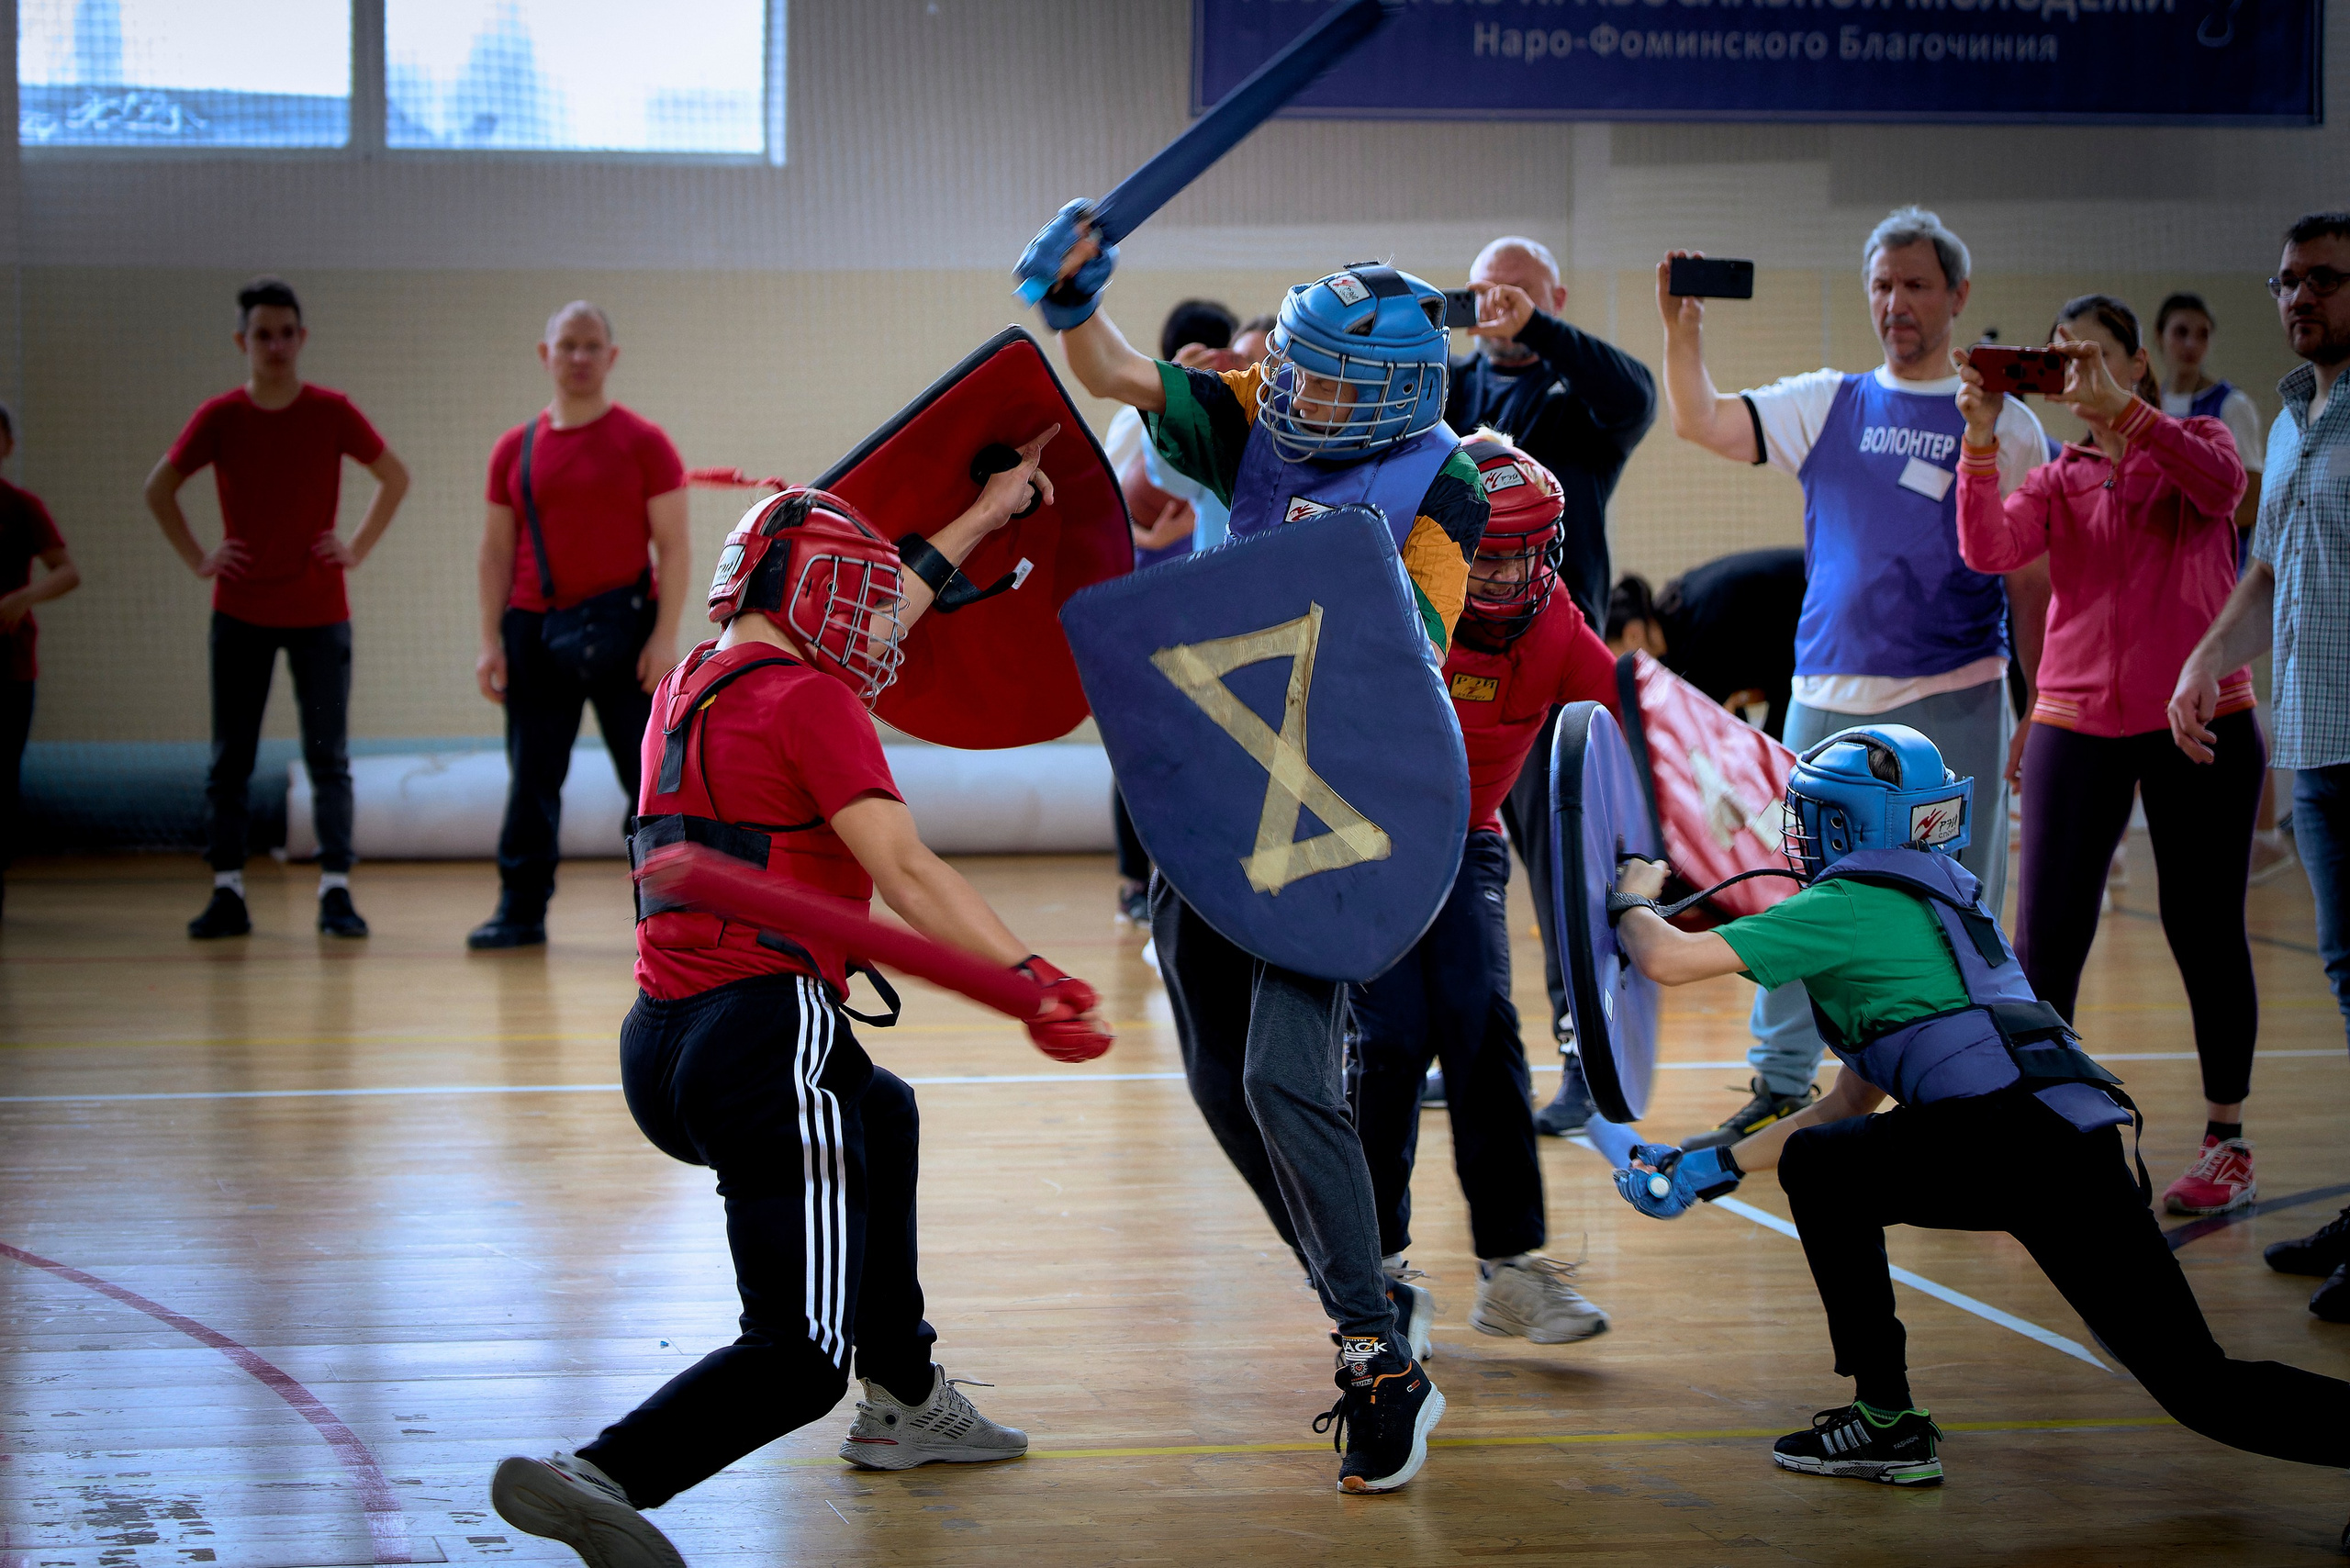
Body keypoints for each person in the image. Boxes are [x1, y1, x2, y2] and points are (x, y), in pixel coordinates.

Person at [490, 447, 1112, 1567]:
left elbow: (859, 626)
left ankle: (909, 1396)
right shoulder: (814, 703)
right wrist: (1031, 982)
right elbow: (909, 873)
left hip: (665, 1045)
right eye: (860, 603)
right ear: (812, 596)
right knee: (796, 1352)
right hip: (768, 1038)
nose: (883, 631)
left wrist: (978, 517)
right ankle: (603, 1476)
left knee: (884, 1113)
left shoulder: (688, 683)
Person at [1603, 725, 2350, 1529]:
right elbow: (1848, 1105)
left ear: (1847, 825)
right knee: (2202, 1387)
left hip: (2003, 1138)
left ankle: (1886, 1423)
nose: (1799, 829)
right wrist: (1709, 1168)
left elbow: (1665, 960)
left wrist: (1633, 892)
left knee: (1823, 1167)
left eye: (1812, 813)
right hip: (2073, 1139)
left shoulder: (1845, 903)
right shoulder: (1947, 894)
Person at [1032, 204, 1481, 1493]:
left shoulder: (1443, 477)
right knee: (1224, 1089)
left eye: (1327, 376)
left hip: (1337, 820)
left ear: (1396, 393)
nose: (1294, 390)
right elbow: (1118, 372)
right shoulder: (1254, 420)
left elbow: (1417, 653)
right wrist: (1072, 301)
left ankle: (1375, 1358)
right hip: (1212, 802)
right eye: (1292, 363)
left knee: (1290, 1075)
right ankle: (1368, 1288)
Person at [1657, 207, 2050, 1153]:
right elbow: (1701, 420)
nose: (1894, 302)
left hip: (1954, 692)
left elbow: (2032, 579)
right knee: (1791, 894)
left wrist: (2035, 706)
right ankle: (1780, 1079)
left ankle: (1963, 1081)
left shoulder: (2008, 424)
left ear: (1956, 296)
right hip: (1828, 696)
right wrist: (1682, 332)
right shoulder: (1827, 401)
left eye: (1915, 284)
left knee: (1954, 898)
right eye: (1881, 284)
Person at [1953, 297, 2260, 1217]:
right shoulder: (2057, 477)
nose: (2070, 371)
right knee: (2044, 939)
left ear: (2131, 365)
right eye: (2056, 358)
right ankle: (2043, 1132)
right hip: (2073, 720)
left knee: (2202, 928)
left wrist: (2127, 414)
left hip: (2197, 715)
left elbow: (2220, 491)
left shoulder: (2193, 440)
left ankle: (2226, 1139)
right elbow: (1984, 546)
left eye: (2088, 355)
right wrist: (1975, 439)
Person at [1349, 433, 1615, 1347]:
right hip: (1368, 848)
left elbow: (1629, 737)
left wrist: (1650, 869)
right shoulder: (1396, 608)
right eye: (1484, 555)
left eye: (1519, 556)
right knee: (1387, 1041)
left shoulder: (1561, 629)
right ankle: (1373, 1277)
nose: (1501, 576)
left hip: (1468, 844)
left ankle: (1509, 1269)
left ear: (1550, 553)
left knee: (1483, 1022)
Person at [2175, 211, 2350, 1324]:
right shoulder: (2290, 424)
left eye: (2325, 280)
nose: (2300, 298)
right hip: (2320, 748)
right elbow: (2272, 575)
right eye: (2287, 281)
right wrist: (2202, 659)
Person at [147, 276, 410, 941]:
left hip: (321, 614)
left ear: (302, 338)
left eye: (286, 333)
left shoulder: (331, 411)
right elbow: (159, 489)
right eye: (262, 334)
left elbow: (394, 477)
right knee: (229, 758)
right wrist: (201, 556)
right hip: (240, 613)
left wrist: (353, 546)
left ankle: (335, 891)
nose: (275, 345)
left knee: (329, 756)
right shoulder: (220, 417)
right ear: (243, 340)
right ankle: (228, 890)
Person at [468, 302, 690, 950]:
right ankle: (520, 911)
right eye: (568, 346)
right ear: (546, 355)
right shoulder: (515, 448)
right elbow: (495, 552)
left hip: (628, 632)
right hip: (534, 635)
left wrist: (664, 636)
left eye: (592, 346)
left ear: (611, 357)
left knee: (651, 782)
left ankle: (665, 911)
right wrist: (489, 641)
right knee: (533, 780)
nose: (580, 357)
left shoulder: (645, 442)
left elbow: (673, 547)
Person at [2156, 291, 2299, 886]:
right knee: (2152, 702)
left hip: (2218, 579)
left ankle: (2264, 836)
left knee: (2233, 700)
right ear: (2160, 340)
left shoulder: (2231, 405)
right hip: (2156, 578)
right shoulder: (2145, 406)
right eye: (2180, 332)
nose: (2190, 343)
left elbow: (2250, 500)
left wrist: (2188, 495)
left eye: (2201, 333)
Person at [1104, 299, 1238, 931]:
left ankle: (1176, 883)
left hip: (1210, 606)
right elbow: (1139, 503)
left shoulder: (1244, 415)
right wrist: (1167, 527)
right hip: (1165, 606)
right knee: (1151, 745)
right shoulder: (1150, 417)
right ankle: (1147, 882)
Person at [0, 402, 79, 916]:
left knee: (4, 776)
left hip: (10, 668)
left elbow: (67, 571)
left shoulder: (22, 507)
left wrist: (23, 598)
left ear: (7, 445)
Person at [1606, 551, 1807, 741]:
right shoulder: (1680, 612)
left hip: (1819, 610)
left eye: (1616, 656)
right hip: (1795, 646)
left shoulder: (1697, 634)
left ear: (1632, 634)